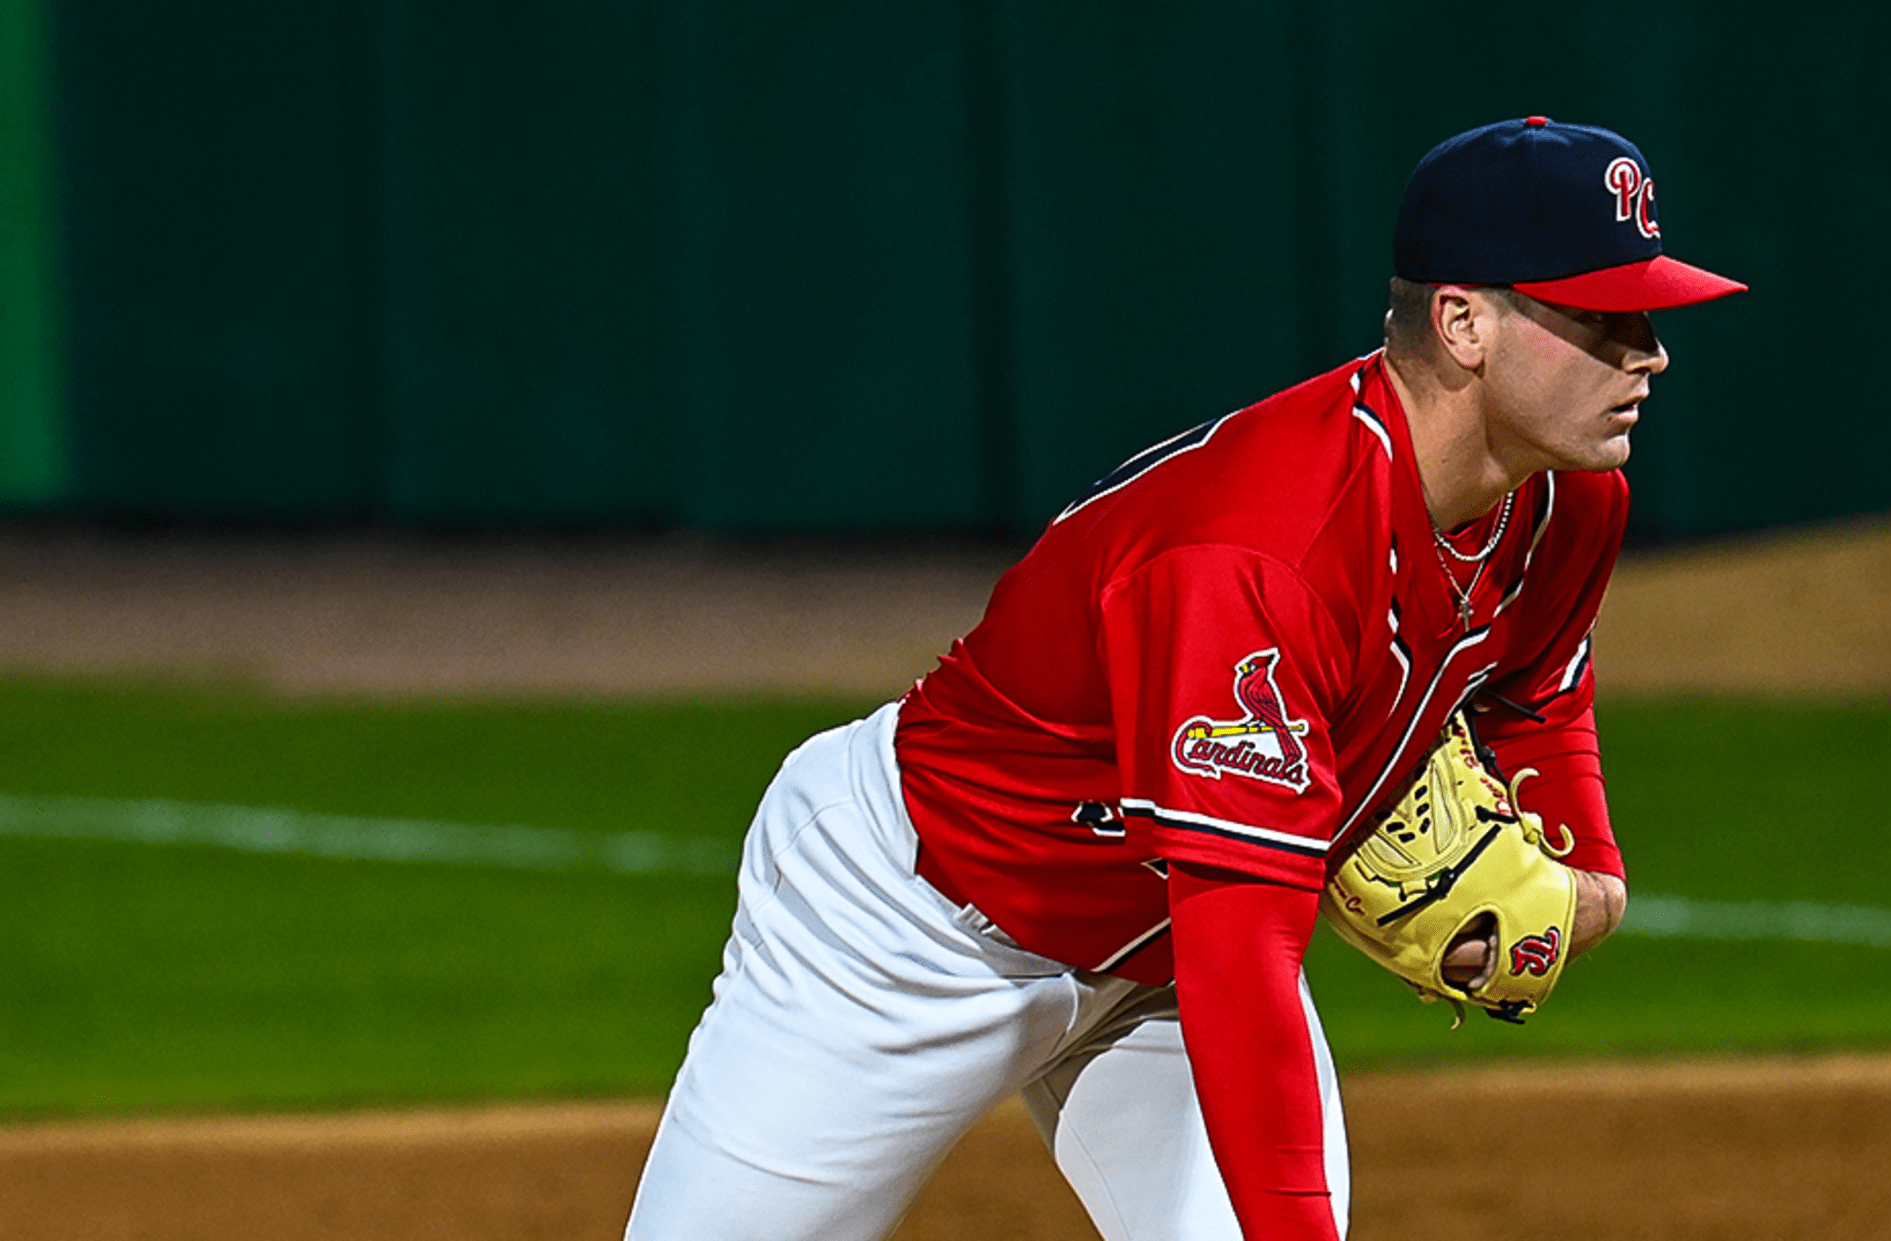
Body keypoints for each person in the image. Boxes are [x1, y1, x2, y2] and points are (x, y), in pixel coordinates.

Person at [625, 115, 1747, 1241]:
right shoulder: (1263, 559)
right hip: (911, 928)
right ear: (1463, 322)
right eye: (1599, 317)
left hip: (1160, 954)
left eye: (1645, 314)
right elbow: (1241, 950)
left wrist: (1587, 861)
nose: (1646, 349)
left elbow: (1538, 686)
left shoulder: (1568, 500)